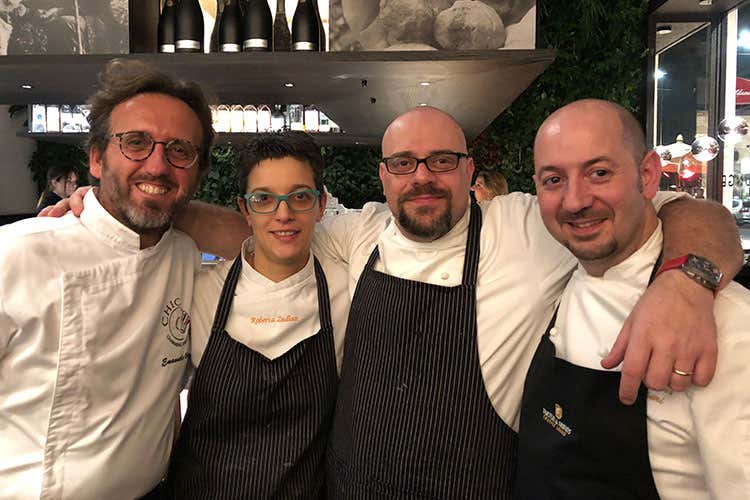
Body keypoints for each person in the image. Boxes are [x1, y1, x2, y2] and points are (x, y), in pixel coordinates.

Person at [51, 105, 743, 496]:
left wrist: (687, 279)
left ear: (470, 171)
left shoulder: (530, 225)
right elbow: (260, 228)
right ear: (381, 177)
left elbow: (687, 211)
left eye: (443, 161)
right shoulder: (360, 235)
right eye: (405, 164)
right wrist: (124, 203)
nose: (423, 178)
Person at [0, 58, 214, 499]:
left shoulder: (185, 257)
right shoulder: (18, 253)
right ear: (97, 158)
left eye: (180, 151)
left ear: (198, 171)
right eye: (136, 143)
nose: (157, 165)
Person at [516, 99, 750, 499]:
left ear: (647, 175)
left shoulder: (725, 323)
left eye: (599, 173)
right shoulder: (557, 266)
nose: (575, 201)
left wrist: (687, 284)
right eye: (554, 180)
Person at [164, 133, 350, 498]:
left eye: (300, 196)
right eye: (264, 199)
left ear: (321, 205)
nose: (283, 214)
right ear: (245, 210)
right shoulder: (201, 291)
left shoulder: (348, 287)